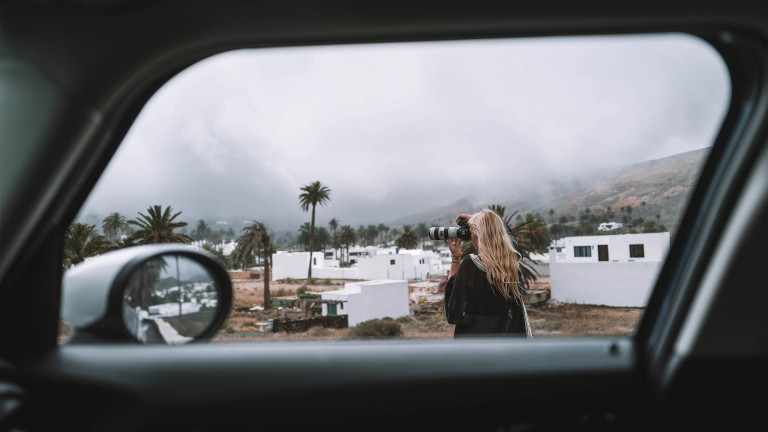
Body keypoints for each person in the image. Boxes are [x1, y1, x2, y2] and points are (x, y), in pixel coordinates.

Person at [443, 209, 532, 338]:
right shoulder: (512, 265)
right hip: (508, 347)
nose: (469, 235)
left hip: (476, 347)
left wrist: (456, 258)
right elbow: (510, 240)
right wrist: (484, 221)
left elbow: (453, 310)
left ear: (480, 236)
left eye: (471, 231)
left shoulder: (471, 264)